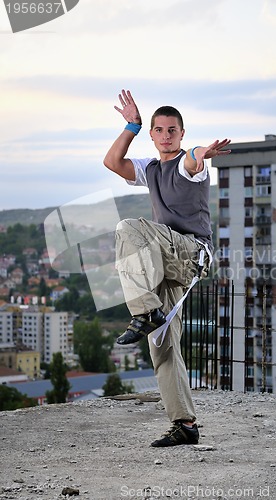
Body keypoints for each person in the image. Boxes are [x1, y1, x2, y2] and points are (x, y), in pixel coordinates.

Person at [103, 89, 231, 447]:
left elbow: (194, 159)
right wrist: (131, 125)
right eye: (158, 130)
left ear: (181, 133)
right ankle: (185, 424)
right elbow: (113, 162)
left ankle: (144, 311)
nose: (165, 136)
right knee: (161, 343)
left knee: (127, 228)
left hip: (191, 253)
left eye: (172, 130)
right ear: (153, 134)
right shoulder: (151, 169)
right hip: (165, 258)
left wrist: (202, 153)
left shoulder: (189, 166)